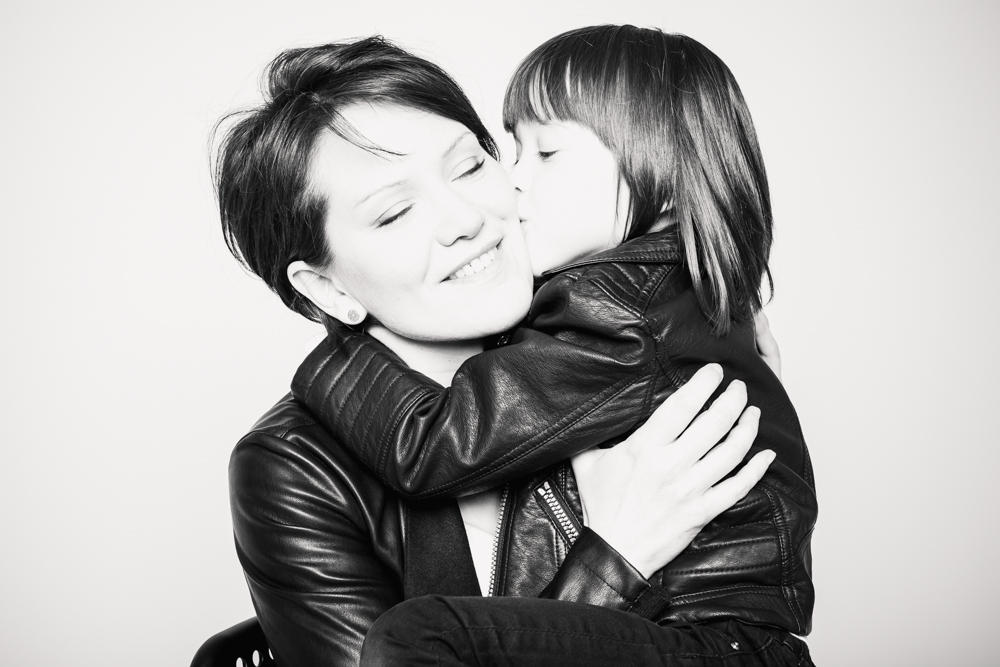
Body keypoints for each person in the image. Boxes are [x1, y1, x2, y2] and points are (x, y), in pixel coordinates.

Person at [217, 35, 811, 667]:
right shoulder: (294, 469)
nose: (466, 219)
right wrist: (616, 559)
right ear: (328, 289)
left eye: (470, 167)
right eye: (394, 213)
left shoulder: (613, 334)